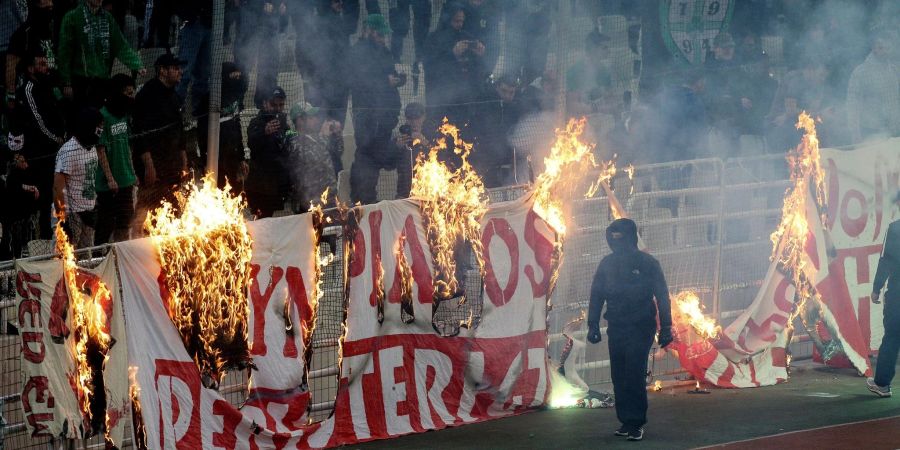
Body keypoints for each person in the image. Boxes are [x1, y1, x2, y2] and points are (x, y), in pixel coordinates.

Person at [587, 218, 673, 441]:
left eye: (619, 237)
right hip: (617, 326)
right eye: (613, 237)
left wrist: (667, 327)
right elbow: (597, 295)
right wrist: (592, 324)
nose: (616, 241)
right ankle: (626, 420)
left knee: (634, 372)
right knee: (619, 375)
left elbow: (662, 296)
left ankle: (636, 422)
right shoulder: (607, 264)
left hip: (641, 326)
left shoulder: (648, 263)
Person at [348, 14, 404, 205]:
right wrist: (384, 81)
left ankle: (366, 198)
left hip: (386, 115)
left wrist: (399, 79)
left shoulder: (385, 51)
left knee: (378, 154)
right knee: (367, 154)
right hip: (367, 117)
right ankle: (363, 200)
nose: (382, 39)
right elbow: (359, 82)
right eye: (379, 34)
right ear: (368, 31)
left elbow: (391, 73)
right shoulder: (358, 52)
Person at [14, 50, 66, 239]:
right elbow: (38, 121)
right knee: (37, 200)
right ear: (30, 68)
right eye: (42, 64)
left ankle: (46, 239)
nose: (47, 68)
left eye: (47, 63)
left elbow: (57, 114)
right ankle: (30, 242)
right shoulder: (27, 90)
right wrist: (55, 138)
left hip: (52, 153)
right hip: (36, 156)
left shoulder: (48, 87)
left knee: (48, 201)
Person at [57, 0, 144, 109]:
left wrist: (136, 64)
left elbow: (120, 45)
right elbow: (64, 52)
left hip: (102, 81)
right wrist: (66, 83)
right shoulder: (72, 17)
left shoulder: (108, 18)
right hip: (80, 81)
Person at [131, 53, 187, 219]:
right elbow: (140, 134)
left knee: (172, 211)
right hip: (153, 166)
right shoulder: (146, 96)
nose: (180, 72)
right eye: (175, 68)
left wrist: (183, 159)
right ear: (162, 71)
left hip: (171, 164)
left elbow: (180, 130)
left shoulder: (174, 95)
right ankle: (137, 239)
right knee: (147, 207)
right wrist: (149, 165)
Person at [423, 4, 485, 125]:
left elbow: (476, 70)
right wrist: (452, 54)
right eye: (456, 21)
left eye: (462, 21)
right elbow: (431, 68)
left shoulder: (465, 36)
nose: (460, 24)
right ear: (447, 19)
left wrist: (480, 55)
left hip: (464, 100)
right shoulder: (433, 39)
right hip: (441, 101)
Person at [94, 73, 135, 244]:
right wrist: (110, 179)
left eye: (132, 93)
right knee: (105, 226)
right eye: (127, 93)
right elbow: (100, 149)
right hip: (108, 185)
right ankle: (99, 261)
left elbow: (128, 145)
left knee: (125, 224)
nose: (130, 97)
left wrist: (133, 173)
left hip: (126, 180)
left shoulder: (125, 115)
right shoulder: (102, 116)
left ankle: (121, 260)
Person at [53, 107, 102, 249]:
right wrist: (63, 220)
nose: (101, 130)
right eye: (99, 127)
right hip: (73, 215)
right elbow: (57, 188)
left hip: (90, 212)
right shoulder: (69, 151)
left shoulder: (91, 146)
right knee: (68, 258)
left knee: (87, 260)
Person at [196, 62, 249, 192]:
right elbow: (202, 133)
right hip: (215, 160)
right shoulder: (210, 99)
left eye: (239, 76)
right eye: (234, 76)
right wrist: (205, 160)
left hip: (232, 158)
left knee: (235, 197)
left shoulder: (235, 98)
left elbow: (238, 128)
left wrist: (241, 158)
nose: (237, 80)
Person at [867, 190, 900, 398]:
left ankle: (882, 384)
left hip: (898, 296)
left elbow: (885, 261)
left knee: (892, 337)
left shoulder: (895, 229)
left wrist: (876, 288)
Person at [286, 101, 342, 213]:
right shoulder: (293, 142)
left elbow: (338, 151)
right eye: (311, 117)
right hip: (310, 204)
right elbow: (313, 161)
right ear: (300, 120)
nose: (316, 120)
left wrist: (336, 134)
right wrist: (325, 137)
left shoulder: (317, 138)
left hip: (329, 199)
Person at [846, 32, 900, 143]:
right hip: (872, 132)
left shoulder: (895, 71)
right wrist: (855, 133)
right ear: (873, 48)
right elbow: (852, 105)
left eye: (888, 47)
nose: (885, 51)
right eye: (880, 47)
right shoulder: (860, 73)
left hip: (895, 131)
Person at [245, 86, 290, 218]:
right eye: (273, 104)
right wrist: (264, 132)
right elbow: (252, 143)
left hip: (277, 184)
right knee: (261, 221)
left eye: (281, 105)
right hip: (260, 185)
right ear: (265, 103)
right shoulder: (256, 123)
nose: (277, 108)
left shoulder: (283, 123)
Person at [6, 0, 57, 95]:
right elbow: (10, 67)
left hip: (52, 89)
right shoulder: (23, 34)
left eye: (51, 5)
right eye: (47, 6)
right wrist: (11, 95)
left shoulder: (51, 30)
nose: (51, 4)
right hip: (31, 92)